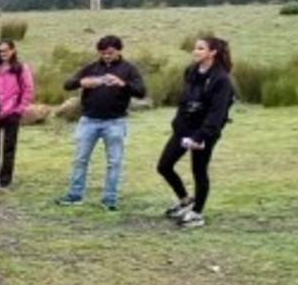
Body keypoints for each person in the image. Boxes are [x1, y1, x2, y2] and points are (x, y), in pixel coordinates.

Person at [56, 35, 146, 211]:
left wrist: (123, 84)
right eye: (102, 52)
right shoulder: (91, 68)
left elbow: (141, 91)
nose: (106, 56)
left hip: (115, 122)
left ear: (119, 50)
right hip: (88, 121)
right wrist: (82, 82)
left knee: (114, 162)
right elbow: (68, 84)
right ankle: (74, 196)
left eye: (110, 52)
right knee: (80, 159)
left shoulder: (129, 69)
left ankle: (109, 200)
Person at [158, 37, 235, 229]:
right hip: (184, 128)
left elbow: (217, 113)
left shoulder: (221, 79)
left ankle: (197, 214)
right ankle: (185, 201)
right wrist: (177, 124)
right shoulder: (191, 71)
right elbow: (185, 101)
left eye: (200, 49)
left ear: (213, 52)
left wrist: (200, 137)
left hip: (205, 132)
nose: (195, 52)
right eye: (195, 48)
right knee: (164, 166)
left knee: (199, 170)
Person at [0, 39, 34, 189]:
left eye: (5, 50)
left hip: (12, 113)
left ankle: (5, 180)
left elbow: (28, 89)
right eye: (0, 51)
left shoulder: (21, 68)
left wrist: (20, 109)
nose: (3, 53)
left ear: (13, 50)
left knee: (9, 147)